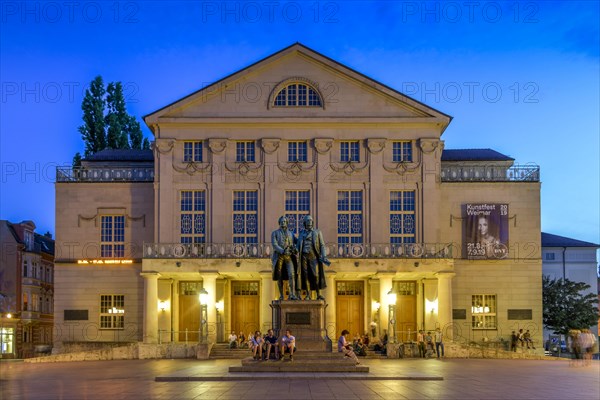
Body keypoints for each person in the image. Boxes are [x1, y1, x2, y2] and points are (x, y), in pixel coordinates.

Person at [296, 215, 329, 300]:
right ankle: (307, 294)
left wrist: (324, 255)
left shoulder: (317, 232)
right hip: (303, 256)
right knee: (305, 276)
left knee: (316, 275)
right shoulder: (302, 233)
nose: (309, 222)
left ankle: (318, 294)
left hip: (314, 256)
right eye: (307, 221)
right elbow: (298, 246)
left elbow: (322, 245)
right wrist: (293, 249)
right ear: (305, 223)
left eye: (310, 220)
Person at [271, 216, 299, 300]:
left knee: (292, 274)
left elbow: (297, 242)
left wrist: (296, 248)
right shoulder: (275, 233)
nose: (283, 223)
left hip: (288, 257)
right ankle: (281, 295)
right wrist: (282, 251)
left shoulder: (291, 234)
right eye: (281, 222)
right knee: (279, 276)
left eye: (284, 222)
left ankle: (292, 294)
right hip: (279, 256)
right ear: (279, 223)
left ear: (287, 223)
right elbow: (274, 245)